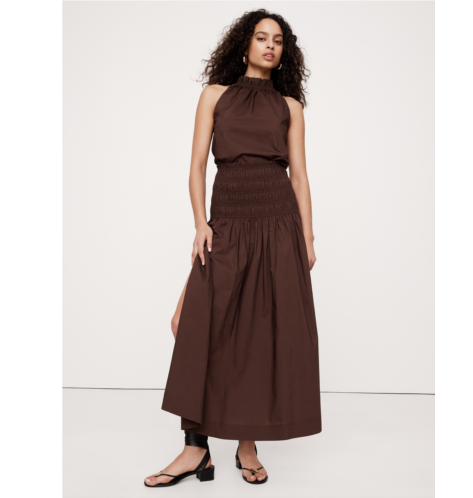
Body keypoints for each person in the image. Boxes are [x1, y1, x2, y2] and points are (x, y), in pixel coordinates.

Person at [145, 9, 321, 488]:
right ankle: (195, 449)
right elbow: (197, 166)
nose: (270, 46)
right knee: (194, 322)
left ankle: (247, 446)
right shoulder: (214, 95)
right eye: (261, 37)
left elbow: (299, 176)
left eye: (278, 40)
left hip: (277, 222)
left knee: (258, 332)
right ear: (244, 45)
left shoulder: (290, 106)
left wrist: (307, 237)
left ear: (284, 51)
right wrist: (200, 223)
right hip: (226, 220)